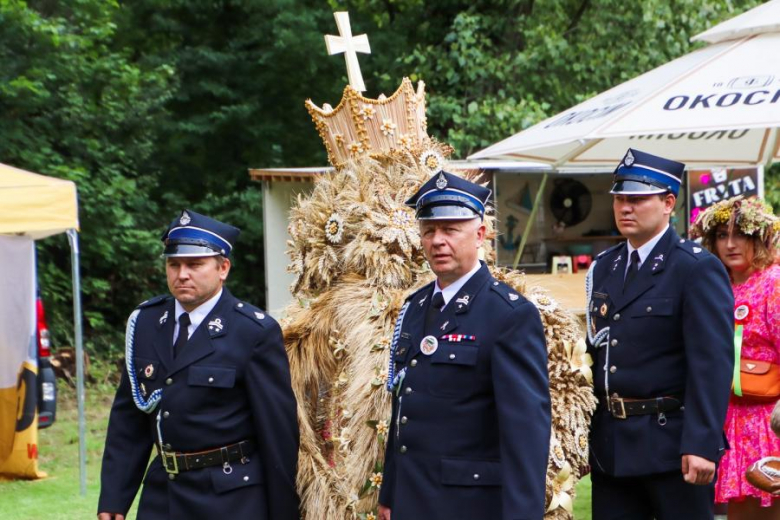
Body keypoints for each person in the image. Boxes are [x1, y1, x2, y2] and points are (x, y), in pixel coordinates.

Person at [97, 210, 300, 520]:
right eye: (173, 264)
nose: (182, 274)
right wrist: (114, 498)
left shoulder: (253, 332)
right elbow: (129, 420)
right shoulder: (149, 322)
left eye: (195, 265)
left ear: (223, 268)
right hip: (164, 494)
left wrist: (282, 512)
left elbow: (277, 434)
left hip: (230, 498)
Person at [378, 171, 551, 520]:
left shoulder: (509, 315)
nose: (438, 240)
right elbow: (404, 411)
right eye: (429, 231)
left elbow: (526, 433)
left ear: (480, 235)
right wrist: (391, 492)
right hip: (413, 498)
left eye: (450, 230)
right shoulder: (415, 307)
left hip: (471, 504)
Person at [586, 149, 734, 520]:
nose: (625, 208)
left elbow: (712, 363)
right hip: (612, 445)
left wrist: (702, 443)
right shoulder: (604, 266)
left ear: (669, 202)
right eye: (620, 198)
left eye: (637, 199)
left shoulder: (695, 268)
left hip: (671, 443)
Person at [693, 196, 780, 519]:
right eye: (720, 235)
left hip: (767, 420)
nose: (730, 244)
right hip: (727, 417)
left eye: (740, 234)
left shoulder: (773, 282)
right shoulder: (717, 284)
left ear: (759, 238)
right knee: (739, 511)